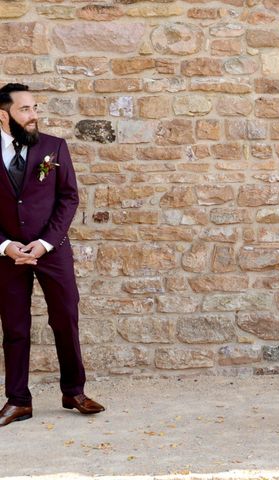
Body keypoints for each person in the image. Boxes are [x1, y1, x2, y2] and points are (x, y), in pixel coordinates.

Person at [0, 83, 104, 427]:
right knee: (14, 327)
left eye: (35, 108)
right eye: (25, 110)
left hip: (52, 251)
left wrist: (44, 243)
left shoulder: (54, 147)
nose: (34, 116)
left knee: (65, 319)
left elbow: (68, 198)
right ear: (4, 115)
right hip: (7, 256)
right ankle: (18, 401)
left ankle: (74, 391)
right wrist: (4, 245)